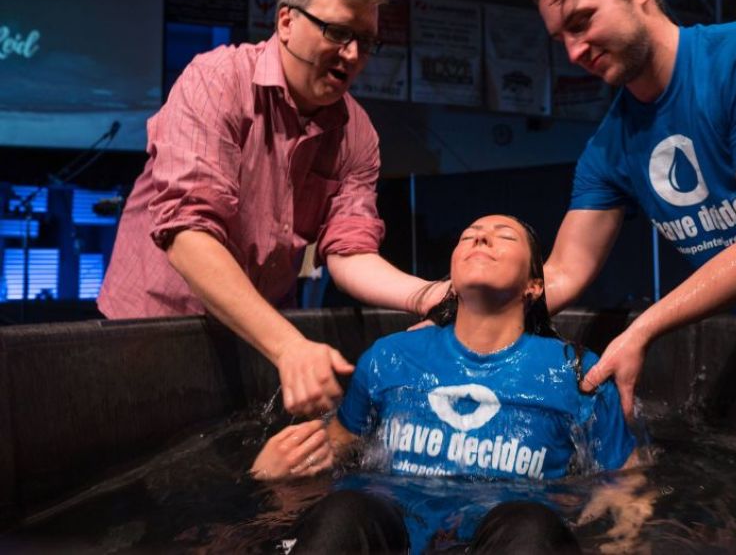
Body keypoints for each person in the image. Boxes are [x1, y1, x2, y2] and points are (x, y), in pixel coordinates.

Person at [97, 0, 444, 417]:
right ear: (286, 22)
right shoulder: (217, 80)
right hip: (155, 328)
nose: (354, 55)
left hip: (260, 337)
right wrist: (288, 346)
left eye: (366, 40)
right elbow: (189, 234)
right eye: (338, 32)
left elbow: (350, 251)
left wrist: (428, 294)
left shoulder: (358, 134)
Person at [530, 0, 736, 417]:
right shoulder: (609, 148)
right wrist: (456, 312)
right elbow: (563, 271)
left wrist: (644, 328)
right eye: (561, 39)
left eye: (582, 22)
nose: (573, 52)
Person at [252, 215, 637, 554]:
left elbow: (629, 484)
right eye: (469, 235)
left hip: (508, 539)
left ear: (534, 286)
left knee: (530, 523)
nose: (481, 238)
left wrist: (623, 538)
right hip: (392, 535)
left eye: (504, 236)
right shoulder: (390, 358)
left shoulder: (574, 371)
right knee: (346, 509)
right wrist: (274, 475)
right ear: (451, 277)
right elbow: (335, 449)